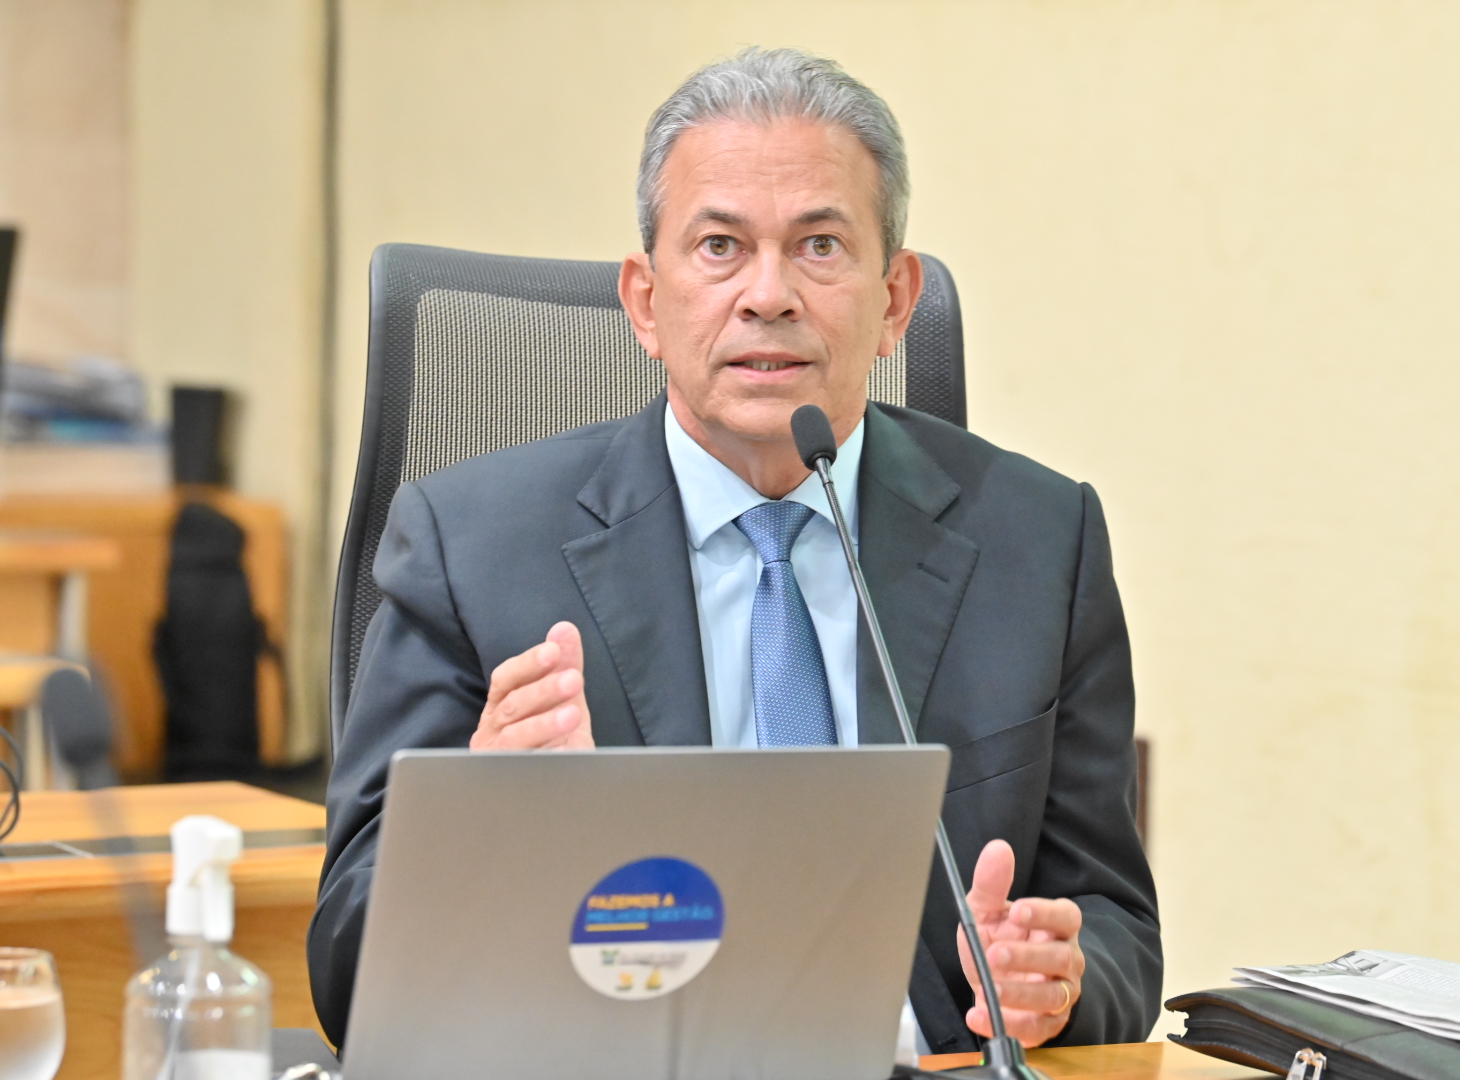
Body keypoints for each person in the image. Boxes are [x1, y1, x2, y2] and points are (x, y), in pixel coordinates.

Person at [310, 46, 1161, 1055]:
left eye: (819, 246)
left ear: (894, 301)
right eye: (720, 246)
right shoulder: (471, 548)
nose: (769, 294)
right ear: (644, 302)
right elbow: (346, 968)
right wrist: (483, 833)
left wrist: (1056, 982)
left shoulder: (1039, 542)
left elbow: (1116, 928)